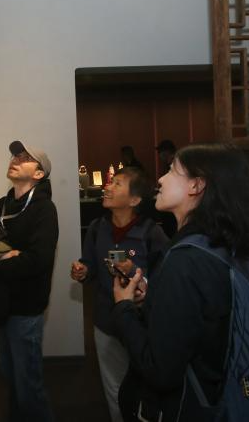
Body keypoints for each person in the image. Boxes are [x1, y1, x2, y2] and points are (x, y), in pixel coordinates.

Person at [111, 143, 249, 422]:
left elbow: (160, 370)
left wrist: (123, 307)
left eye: (171, 171)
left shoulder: (185, 261)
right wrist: (155, 297)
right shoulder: (214, 245)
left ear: (196, 185)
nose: (160, 179)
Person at [70, 167, 169, 422]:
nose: (108, 187)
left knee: (143, 386)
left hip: (141, 324)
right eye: (110, 183)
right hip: (106, 322)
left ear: (134, 200)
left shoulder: (151, 233)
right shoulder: (97, 228)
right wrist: (83, 271)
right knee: (113, 387)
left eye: (117, 184)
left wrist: (135, 273)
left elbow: (166, 280)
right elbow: (90, 266)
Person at [0, 140, 58, 422]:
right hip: (1, 304)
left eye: (25, 157)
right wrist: (6, 255)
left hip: (26, 309)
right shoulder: (3, 205)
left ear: (38, 174)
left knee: (28, 388)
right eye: (15, 155)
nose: (15, 159)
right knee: (10, 378)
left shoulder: (45, 210)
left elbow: (38, 261)